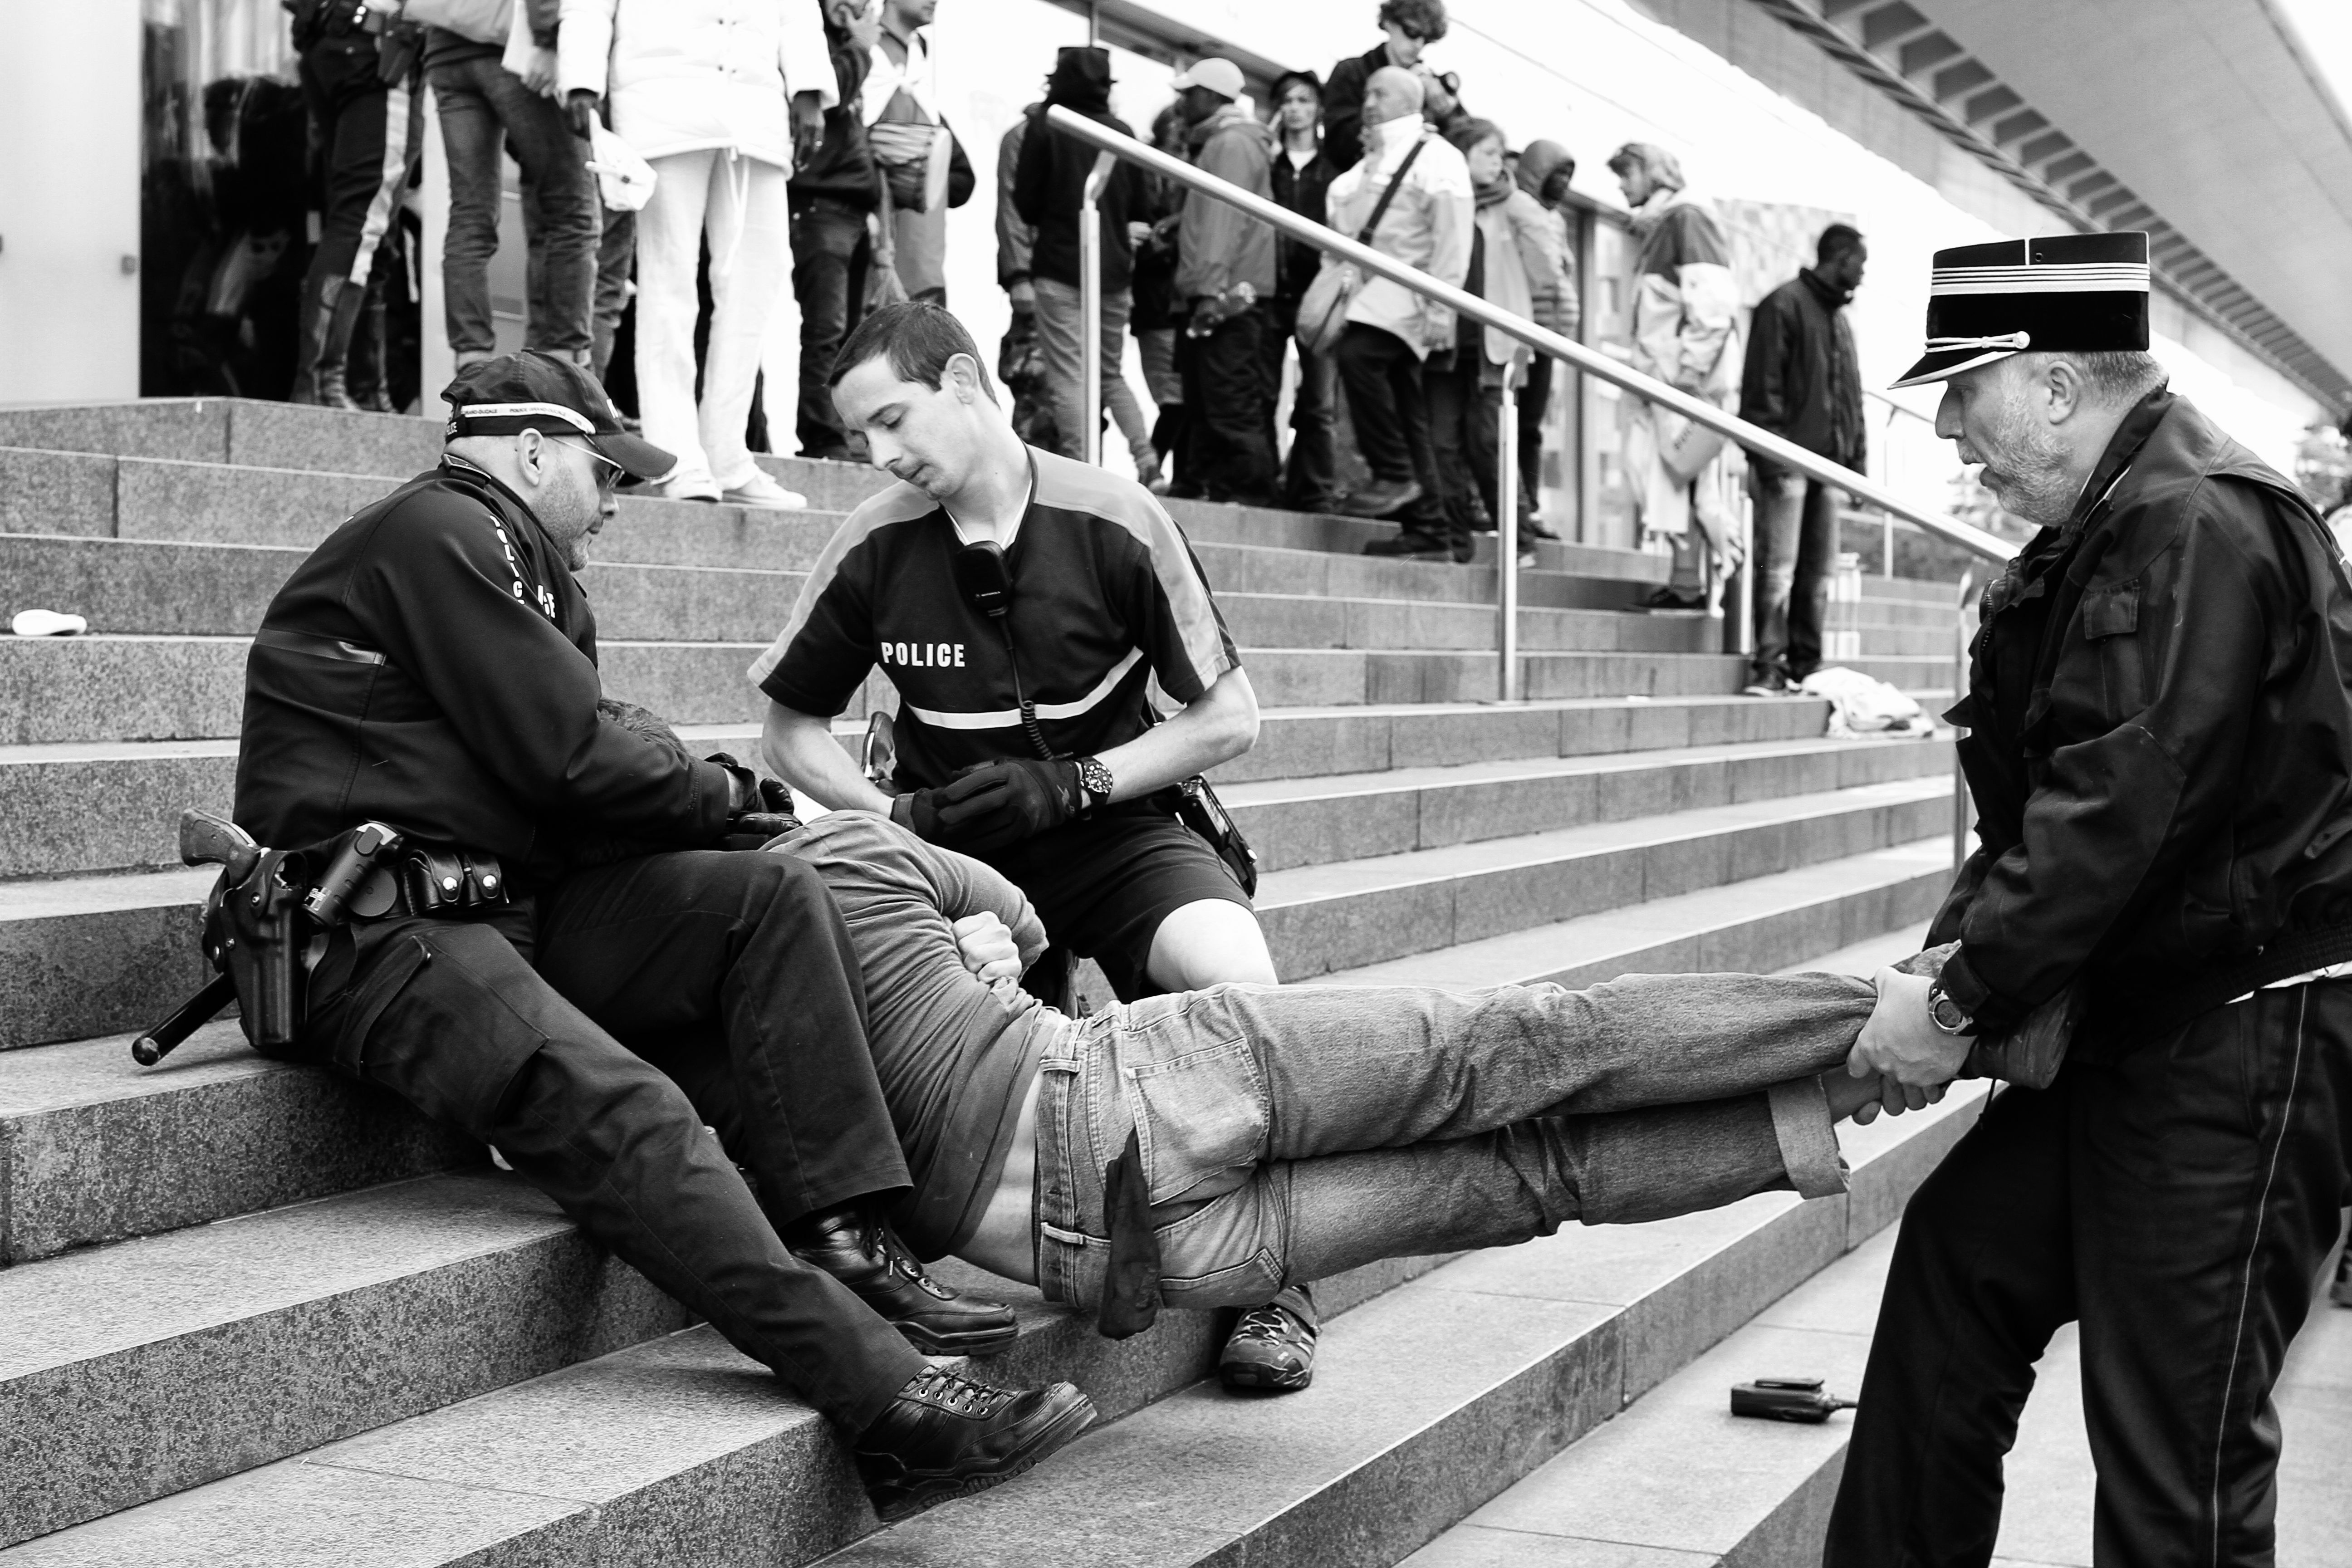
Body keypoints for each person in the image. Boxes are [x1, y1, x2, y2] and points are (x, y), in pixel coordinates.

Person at [229, 350, 1093, 1522]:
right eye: (607, 469)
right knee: (632, 1108)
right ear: (532, 450)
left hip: (503, 905)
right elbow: (578, 758)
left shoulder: (521, 563)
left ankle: (840, 1235)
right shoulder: (440, 534)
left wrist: (741, 820)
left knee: (771, 904)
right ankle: (893, 1409)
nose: (619, 500)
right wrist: (753, 799)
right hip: (380, 936)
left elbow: (587, 780)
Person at [1823, 232, 2352, 1566]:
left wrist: (1954, 997)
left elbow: (2125, 804)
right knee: (1958, 1274)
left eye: (1966, 396)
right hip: (2146, 1020)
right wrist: (1947, 974)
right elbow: (2055, 809)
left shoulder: (2195, 522)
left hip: (2244, 1036)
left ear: (2056, 385)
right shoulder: (2119, 521)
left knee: (2177, 1451)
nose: (1952, 436)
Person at [754, 301, 1330, 1392]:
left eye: (893, 420)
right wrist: (897, 822)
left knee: (1243, 986)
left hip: (1113, 830)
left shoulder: (1114, 513)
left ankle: (1279, 1282)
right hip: (956, 860)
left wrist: (1077, 779)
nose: (881, 456)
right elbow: (784, 733)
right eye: (861, 437)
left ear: (966, 382)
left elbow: (1230, 717)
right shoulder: (873, 541)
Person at [729, 806, 1900, 1327]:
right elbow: (1028, 927)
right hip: (1141, 1086)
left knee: (1542, 1177)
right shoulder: (843, 848)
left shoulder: (694, 1047)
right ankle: (1909, 1012)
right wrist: (977, 962)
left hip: (1089, 1256)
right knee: (1537, 1045)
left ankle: (1830, 1094)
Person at [558, 0, 825, 507]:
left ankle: (728, 455)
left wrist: (809, 86)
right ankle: (676, 456)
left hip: (757, 114)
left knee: (758, 281)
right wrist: (581, 78)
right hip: (663, 103)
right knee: (668, 284)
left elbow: (797, 11)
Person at [1325, 67, 1472, 549]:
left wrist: (1441, 306)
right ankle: (1429, 528)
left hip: (1407, 298)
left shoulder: (1439, 158)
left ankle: (1394, 473)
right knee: (1409, 409)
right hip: (1373, 299)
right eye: (1366, 93)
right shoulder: (1357, 173)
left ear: (1411, 102)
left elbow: (1452, 239)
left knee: (1358, 357)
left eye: (1381, 93)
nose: (1369, 101)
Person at [1424, 118, 1578, 564]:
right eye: (1490, 153)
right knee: (1442, 443)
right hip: (1442, 338)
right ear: (1462, 154)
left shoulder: (1516, 207)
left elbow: (1549, 270)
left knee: (1488, 442)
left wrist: (1521, 206)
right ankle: (1454, 539)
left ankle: (1520, 541)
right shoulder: (1444, 199)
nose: (1499, 162)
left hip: (1493, 344)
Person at [1013, 47, 1159, 486]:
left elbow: (1026, 201)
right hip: (1113, 270)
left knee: (1069, 375)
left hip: (1059, 267)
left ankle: (1083, 471)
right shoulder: (1123, 132)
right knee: (1110, 372)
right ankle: (1147, 459)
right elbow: (1143, 205)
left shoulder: (1048, 125)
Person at [1607, 142, 1744, 613]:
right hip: (1668, 379)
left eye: (1627, 174)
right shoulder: (1668, 223)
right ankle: (1688, 580)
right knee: (1674, 483)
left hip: (1681, 382)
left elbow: (1714, 306)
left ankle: (1725, 566)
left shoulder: (1686, 219)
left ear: (1652, 173)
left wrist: (1688, 373)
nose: (1622, 185)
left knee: (1692, 485)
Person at [428, 1, 598, 376]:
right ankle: (565, 368)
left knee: (470, 212)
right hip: (512, 46)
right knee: (572, 208)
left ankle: (472, 362)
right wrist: (547, 40)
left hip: (445, 48)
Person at [1737, 224, 1867, 696]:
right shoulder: (1784, 304)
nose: (1864, 274)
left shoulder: (1839, 320)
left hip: (1827, 469)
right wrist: (1772, 461)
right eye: (1861, 263)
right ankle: (1768, 666)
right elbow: (1761, 388)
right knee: (1780, 570)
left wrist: (1857, 468)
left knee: (1817, 575)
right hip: (1787, 465)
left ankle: (1805, 664)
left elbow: (1852, 399)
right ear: (1840, 258)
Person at [284, 0, 425, 408]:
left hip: (334, 41)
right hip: (379, 50)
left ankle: (367, 388)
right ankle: (321, 385)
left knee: (374, 227)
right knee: (363, 221)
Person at [1171, 57, 1281, 508]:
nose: (1182, 101)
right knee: (1213, 401)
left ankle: (1248, 494)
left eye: (1190, 92)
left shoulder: (1230, 144)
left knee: (1228, 403)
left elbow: (1223, 219)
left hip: (1225, 297)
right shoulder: (1229, 142)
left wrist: (1210, 291)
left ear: (1213, 97)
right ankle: (1224, 488)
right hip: (1227, 292)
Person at [789, 0, 885, 462]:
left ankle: (843, 433)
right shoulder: (811, 45)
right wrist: (861, 50)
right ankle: (822, 436)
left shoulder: (844, 46)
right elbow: (830, 95)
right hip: (815, 205)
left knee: (850, 336)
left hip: (849, 211)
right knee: (825, 330)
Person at [862, 0, 973, 305]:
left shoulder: (917, 70)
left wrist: (929, 179)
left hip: (925, 267)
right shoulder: (865, 50)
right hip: (876, 265)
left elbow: (965, 180)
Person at [1265, 70, 1342, 514]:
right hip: (1273, 291)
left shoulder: (1334, 169)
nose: (1295, 108)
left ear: (1318, 109)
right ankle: (1267, 482)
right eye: (1288, 101)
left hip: (1320, 295)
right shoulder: (1268, 164)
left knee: (1319, 401)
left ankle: (1317, 492)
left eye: (1304, 100)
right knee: (1265, 393)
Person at [1511, 138, 1579, 542]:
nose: (1564, 184)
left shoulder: (1557, 220)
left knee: (1532, 426)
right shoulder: (1518, 211)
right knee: (1512, 421)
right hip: (1520, 331)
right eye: (1559, 174)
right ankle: (1512, 501)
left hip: (1548, 337)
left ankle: (1530, 505)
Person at [1132, 105, 1191, 495]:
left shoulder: (1196, 173)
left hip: (1184, 302)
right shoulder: (1142, 168)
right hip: (1156, 304)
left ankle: (1160, 472)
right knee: (1174, 399)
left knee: (1181, 399)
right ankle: (1152, 470)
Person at [1322, 0, 1447, 173]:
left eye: (1427, 40)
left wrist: (1447, 109)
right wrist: (1399, 89)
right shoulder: (1351, 72)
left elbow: (1463, 143)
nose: (1418, 45)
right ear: (1389, 22)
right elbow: (1338, 146)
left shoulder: (1430, 85)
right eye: (1412, 32)